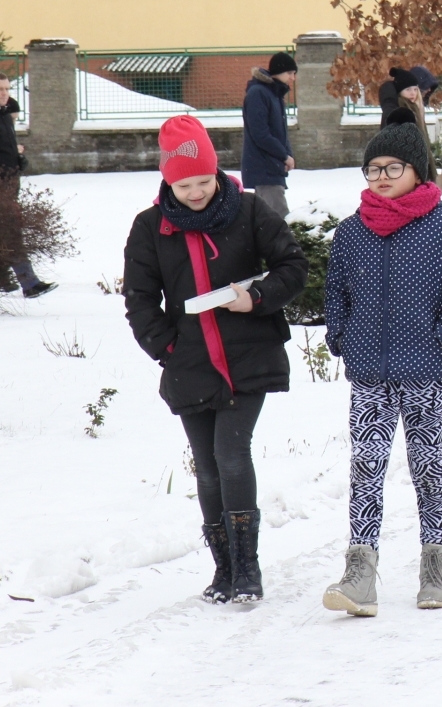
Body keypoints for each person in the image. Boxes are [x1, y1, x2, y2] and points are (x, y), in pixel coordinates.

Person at [123, 114, 308, 604]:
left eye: (203, 181)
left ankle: (248, 569)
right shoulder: (150, 228)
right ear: (167, 181)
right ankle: (223, 570)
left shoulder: (247, 210)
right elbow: (139, 300)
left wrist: (256, 298)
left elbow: (292, 265)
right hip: (190, 363)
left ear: (216, 171)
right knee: (206, 467)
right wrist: (168, 349)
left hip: (249, 357)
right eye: (184, 185)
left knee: (231, 454)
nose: (196, 192)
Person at [321, 108, 442, 617]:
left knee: (427, 467)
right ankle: (360, 572)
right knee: (365, 466)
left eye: (393, 168)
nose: (382, 177)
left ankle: (435, 565)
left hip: (427, 372)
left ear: (417, 171)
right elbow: (335, 289)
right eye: (373, 169)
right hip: (370, 373)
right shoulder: (352, 231)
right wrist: (340, 335)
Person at [0, 70, 56, 297]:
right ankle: (28, 284)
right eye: (0, 89)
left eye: (7, 89)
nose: (5, 93)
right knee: (9, 235)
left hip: (7, 187)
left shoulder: (4, 116)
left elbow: (3, 151)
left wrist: (18, 161)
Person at [239, 52, 296, 216]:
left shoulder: (274, 94)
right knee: (278, 219)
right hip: (264, 168)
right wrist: (283, 155)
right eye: (290, 73)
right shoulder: (259, 93)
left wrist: (287, 155)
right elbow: (260, 134)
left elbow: (280, 132)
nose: (292, 78)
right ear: (278, 71)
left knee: (268, 219)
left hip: (272, 167)